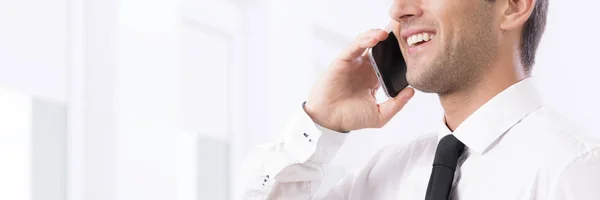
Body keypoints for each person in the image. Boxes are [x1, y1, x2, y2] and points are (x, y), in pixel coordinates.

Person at [238, 0, 600, 199]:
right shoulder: (384, 176)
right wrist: (319, 123)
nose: (398, 9)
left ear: (513, 6)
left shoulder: (574, 170)